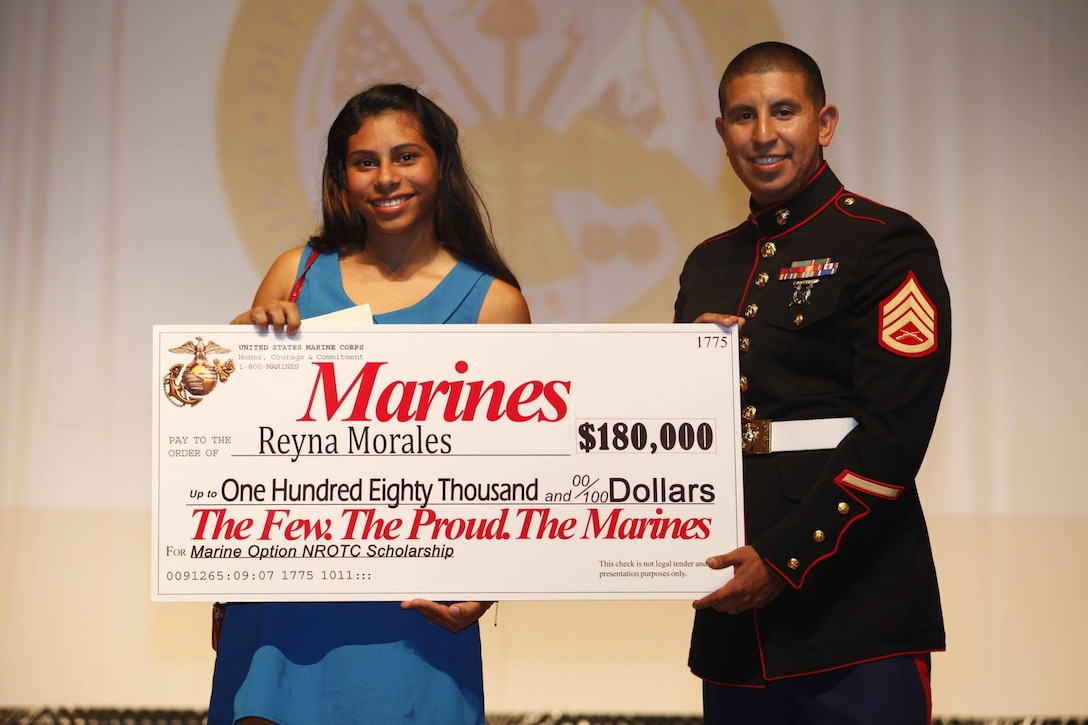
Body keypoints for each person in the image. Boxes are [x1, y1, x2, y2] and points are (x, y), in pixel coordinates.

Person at [210, 82, 531, 725]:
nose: (386, 178)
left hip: (413, 622)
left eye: (406, 156)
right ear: (341, 176)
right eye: (365, 162)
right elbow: (231, 445)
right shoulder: (293, 274)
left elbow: (517, 474)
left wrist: (485, 590)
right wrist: (239, 346)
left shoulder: (495, 305)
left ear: (441, 164)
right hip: (280, 611)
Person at [673, 42, 950, 724]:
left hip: (853, 608)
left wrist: (786, 557)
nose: (763, 133)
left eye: (784, 111)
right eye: (743, 115)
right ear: (720, 133)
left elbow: (893, 435)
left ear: (823, 123)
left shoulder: (885, 242)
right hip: (734, 617)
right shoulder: (707, 264)